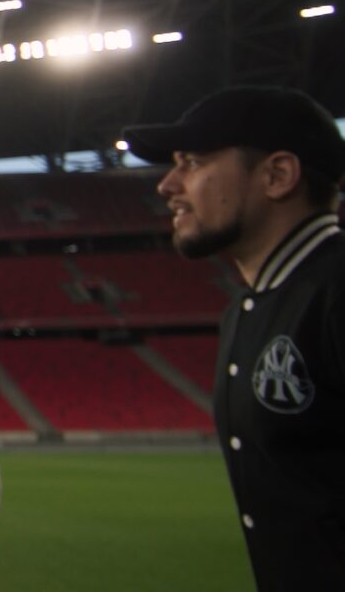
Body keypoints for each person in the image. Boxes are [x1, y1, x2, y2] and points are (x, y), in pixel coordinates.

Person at [123, 85, 345, 590]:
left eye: (193, 162)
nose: (167, 185)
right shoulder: (246, 309)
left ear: (277, 175)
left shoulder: (336, 290)